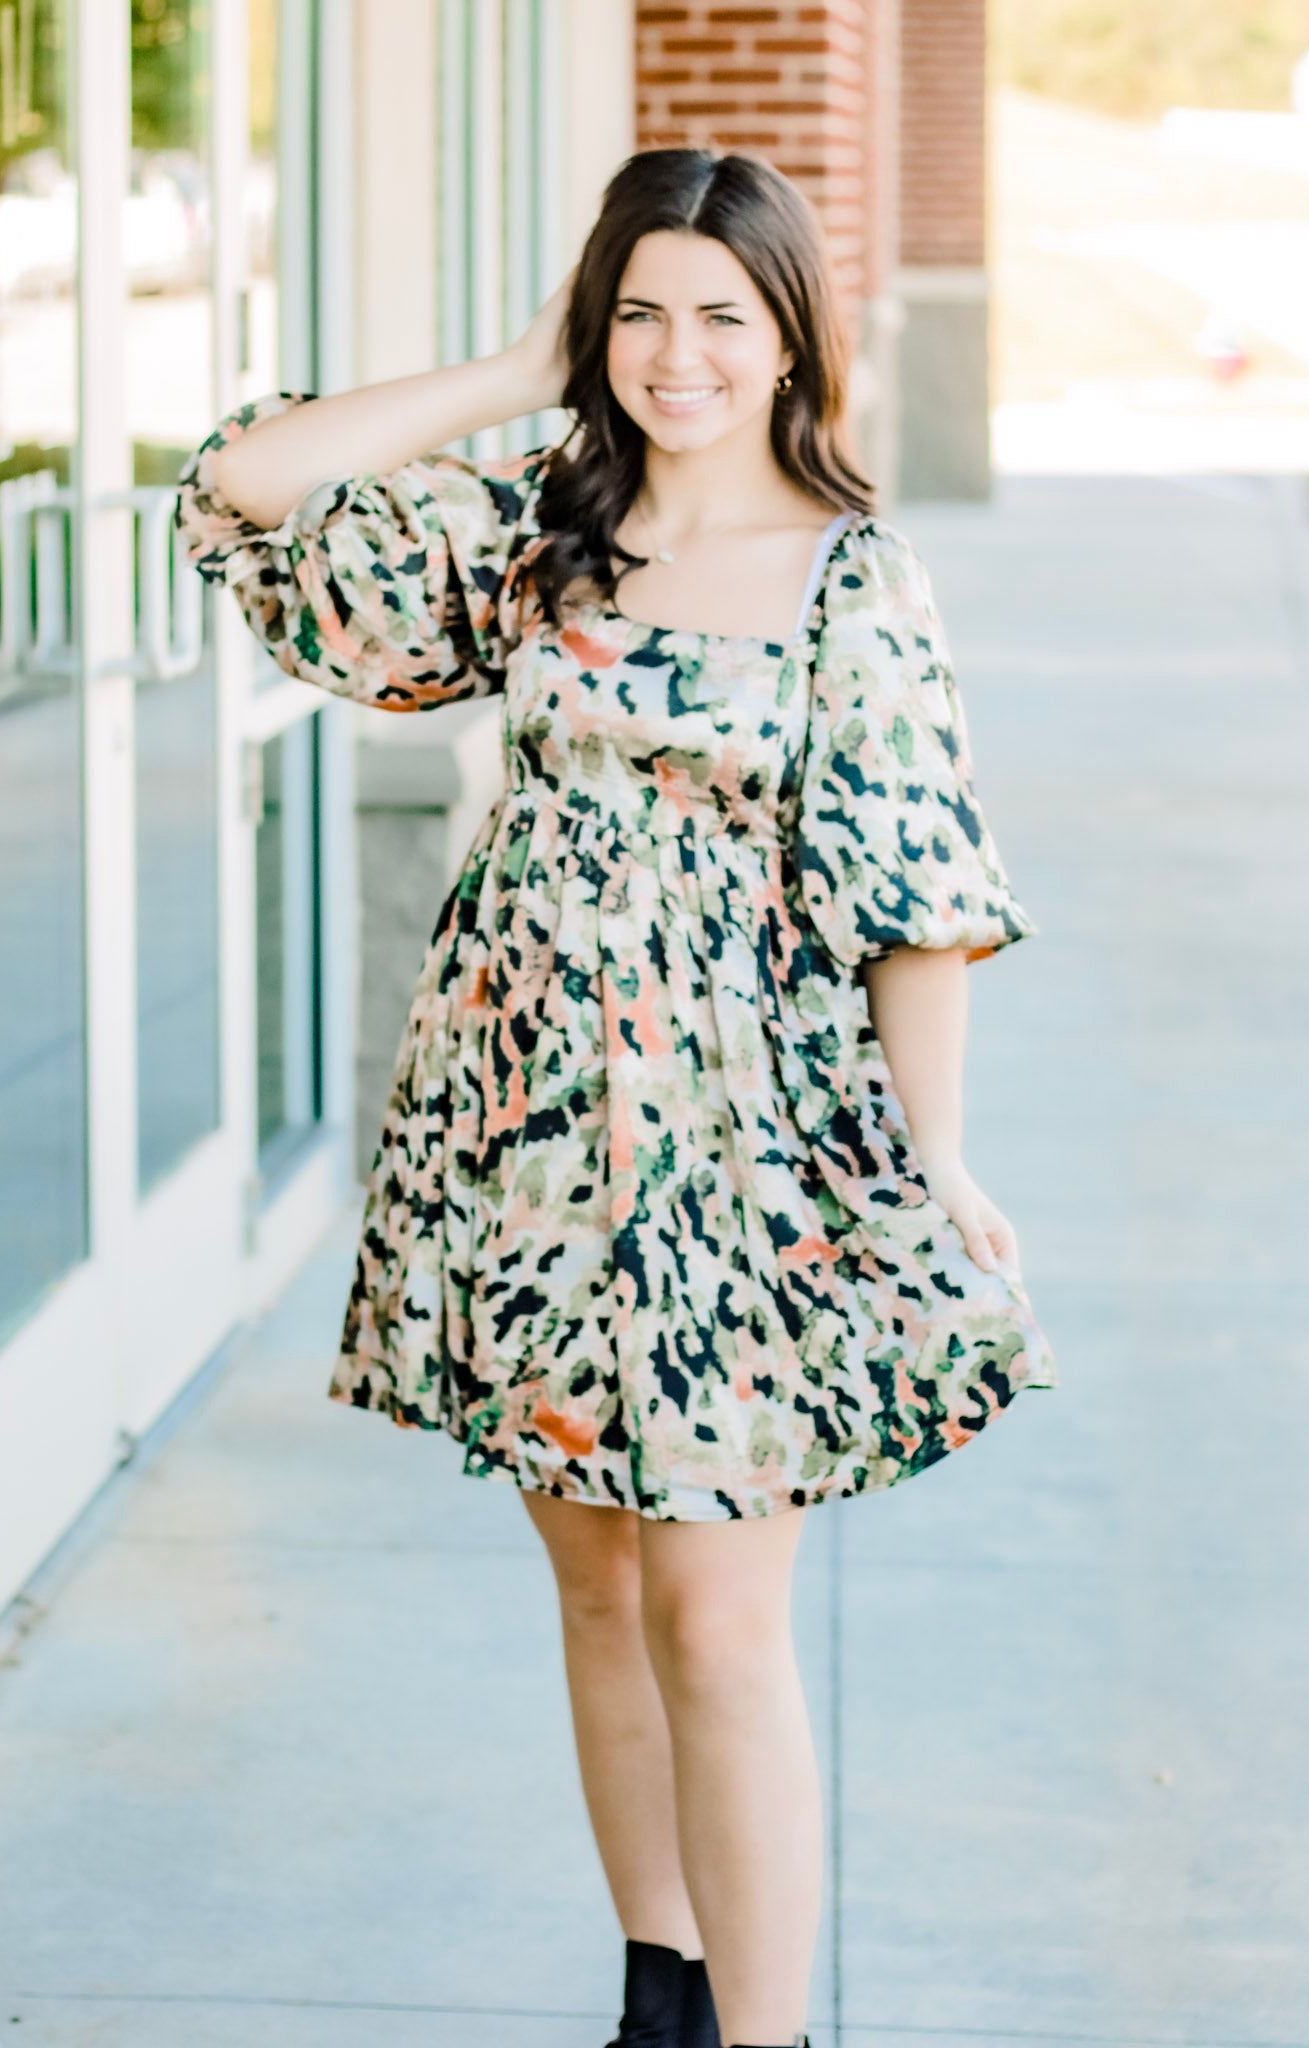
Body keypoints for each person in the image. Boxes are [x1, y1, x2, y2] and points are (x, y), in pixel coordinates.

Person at [176, 145, 1057, 2048]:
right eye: (639, 312)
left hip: (743, 1151)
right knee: (596, 1596)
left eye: (721, 316)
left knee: (717, 1625)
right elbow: (247, 487)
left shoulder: (852, 580)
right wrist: (520, 372)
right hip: (525, 1131)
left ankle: (766, 2035)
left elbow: (916, 897)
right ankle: (662, 1999)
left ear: (790, 337)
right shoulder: (540, 530)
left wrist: (936, 1158)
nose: (678, 355)